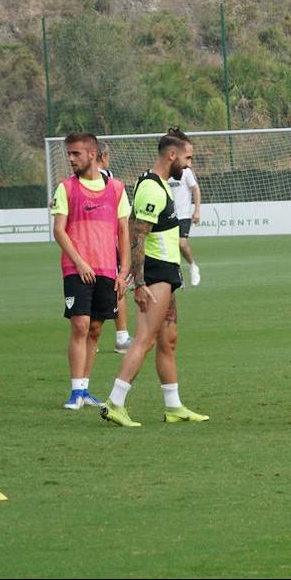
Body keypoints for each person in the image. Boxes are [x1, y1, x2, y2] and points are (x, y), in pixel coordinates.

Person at [101, 128, 207, 427]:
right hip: (155, 274)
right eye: (187, 158)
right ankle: (115, 403)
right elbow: (137, 236)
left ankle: (173, 407)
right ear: (171, 155)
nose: (188, 165)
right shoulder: (151, 188)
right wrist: (139, 283)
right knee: (144, 340)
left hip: (167, 273)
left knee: (167, 341)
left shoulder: (161, 184)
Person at [51, 133, 130, 410]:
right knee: (80, 325)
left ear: (93, 155)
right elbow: (58, 230)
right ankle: (74, 391)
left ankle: (85, 389)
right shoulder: (66, 188)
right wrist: (80, 262)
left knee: (96, 329)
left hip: (107, 269)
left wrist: (124, 271)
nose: (70, 159)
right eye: (69, 154)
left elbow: (123, 232)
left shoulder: (117, 189)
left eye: (76, 154)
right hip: (76, 269)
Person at [98, 143, 133, 353]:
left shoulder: (73, 182)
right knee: (118, 287)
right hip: (109, 245)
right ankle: (121, 338)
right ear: (103, 157)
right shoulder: (111, 182)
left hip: (85, 247)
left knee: (90, 286)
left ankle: (88, 340)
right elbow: (124, 220)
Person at [168, 162, 201, 287]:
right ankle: (177, 274)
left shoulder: (186, 172)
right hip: (169, 215)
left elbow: (195, 189)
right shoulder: (166, 172)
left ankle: (193, 266)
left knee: (181, 243)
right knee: (171, 246)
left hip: (183, 215)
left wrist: (197, 210)